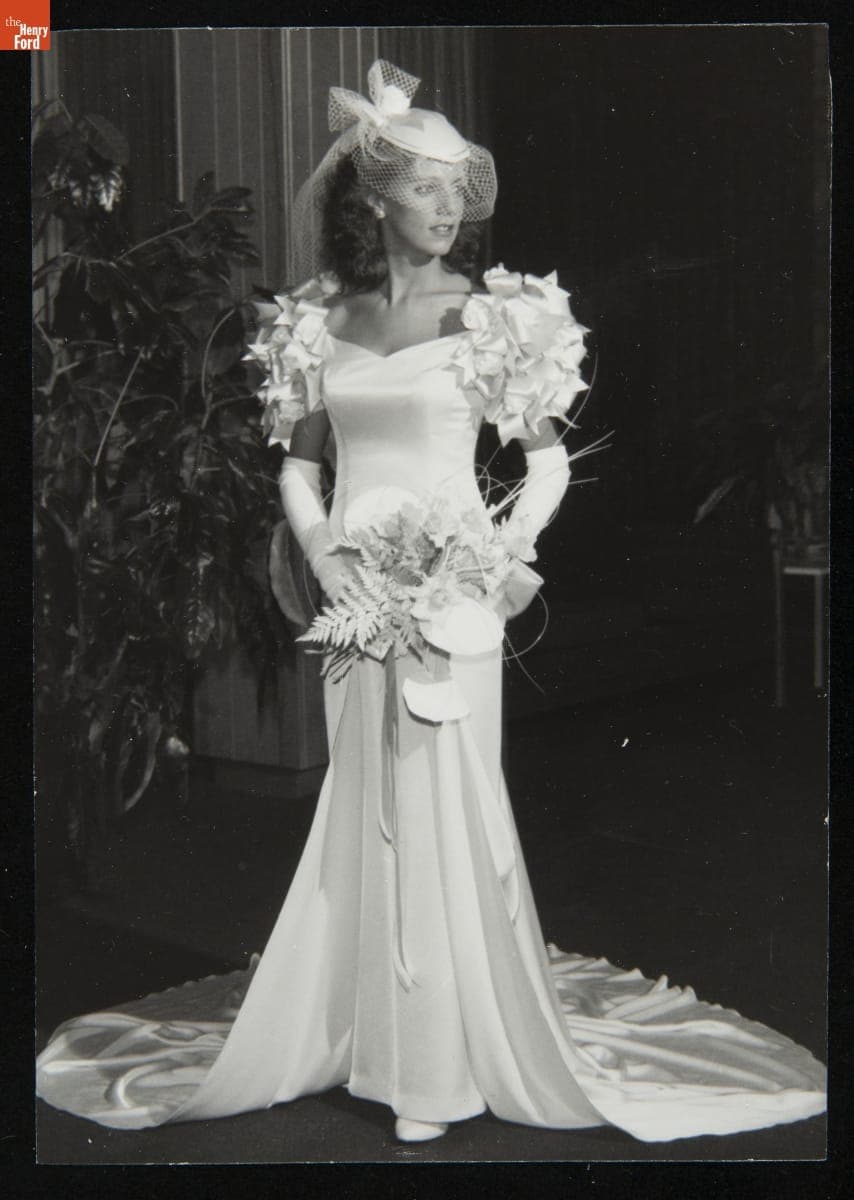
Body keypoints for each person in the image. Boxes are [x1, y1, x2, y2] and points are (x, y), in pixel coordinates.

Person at [36, 59, 825, 1146]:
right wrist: (325, 557)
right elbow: (300, 467)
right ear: (373, 201)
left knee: (447, 810)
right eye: (424, 188)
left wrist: (489, 558)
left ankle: (440, 1066)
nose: (448, 207)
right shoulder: (318, 317)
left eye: (458, 189)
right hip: (354, 605)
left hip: (455, 606)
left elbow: (545, 464)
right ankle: (367, 1036)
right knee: (367, 806)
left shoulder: (496, 315)